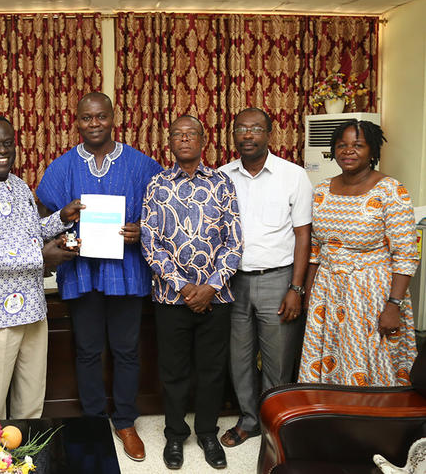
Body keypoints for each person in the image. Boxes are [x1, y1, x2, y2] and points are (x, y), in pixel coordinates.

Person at [36, 92, 162, 462]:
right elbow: (45, 217)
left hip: (126, 272)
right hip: (83, 272)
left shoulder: (141, 165)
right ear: (77, 121)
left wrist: (141, 229)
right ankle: (93, 420)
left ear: (112, 118)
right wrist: (64, 219)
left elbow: (161, 214)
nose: (94, 124)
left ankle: (124, 421)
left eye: (101, 117)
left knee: (126, 351)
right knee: (87, 351)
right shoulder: (62, 167)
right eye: (87, 118)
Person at [0, 115, 81, 421]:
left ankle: (25, 461)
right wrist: (42, 257)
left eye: (8, 143)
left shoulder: (19, 186)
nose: (2, 151)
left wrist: (62, 216)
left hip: (33, 310)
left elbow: (31, 231)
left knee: (31, 400)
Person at [141, 115, 242, 471]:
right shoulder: (157, 185)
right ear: (169, 142)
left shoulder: (222, 183)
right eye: (177, 135)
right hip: (172, 297)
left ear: (203, 140)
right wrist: (183, 286)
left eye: (191, 134)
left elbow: (234, 242)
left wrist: (210, 286)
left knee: (213, 370)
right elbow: (149, 242)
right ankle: (174, 434)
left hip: (217, 297)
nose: (184, 139)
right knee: (173, 371)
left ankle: (208, 433)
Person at [298, 121, 419, 386]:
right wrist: (308, 295)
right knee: (329, 352)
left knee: (369, 357)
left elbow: (406, 254)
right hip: (327, 290)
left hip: (371, 292)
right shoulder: (321, 190)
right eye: (342, 145)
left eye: (357, 145)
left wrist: (393, 305)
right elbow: (316, 250)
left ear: (372, 151)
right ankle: (332, 416)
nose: (348, 151)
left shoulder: (390, 190)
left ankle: (372, 419)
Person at [218, 108, 312, 448]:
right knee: (239, 357)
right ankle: (249, 420)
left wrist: (296, 288)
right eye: (240, 128)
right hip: (234, 283)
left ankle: (277, 422)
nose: (248, 134)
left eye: (255, 128)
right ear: (233, 135)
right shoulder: (221, 176)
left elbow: (304, 235)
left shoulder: (294, 175)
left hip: (278, 279)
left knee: (278, 359)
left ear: (269, 134)